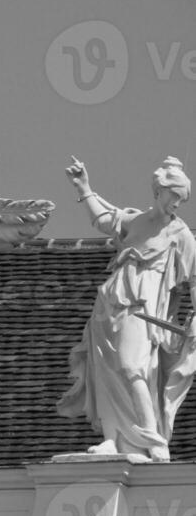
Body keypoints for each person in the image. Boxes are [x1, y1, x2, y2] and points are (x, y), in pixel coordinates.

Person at [58, 156, 196, 461]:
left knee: (134, 367)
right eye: (175, 196)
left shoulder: (181, 235)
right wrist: (84, 187)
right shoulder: (137, 221)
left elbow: (195, 280)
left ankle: (152, 438)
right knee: (107, 369)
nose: (177, 204)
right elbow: (105, 220)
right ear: (159, 191)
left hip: (143, 310)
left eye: (182, 200)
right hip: (111, 304)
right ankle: (113, 438)